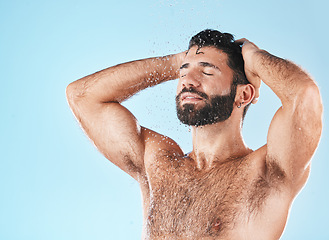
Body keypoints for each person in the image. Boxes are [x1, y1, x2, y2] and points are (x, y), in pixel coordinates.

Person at [66, 29, 323, 239]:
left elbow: (304, 97)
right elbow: (83, 96)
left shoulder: (267, 172)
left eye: (207, 71)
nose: (189, 80)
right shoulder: (159, 164)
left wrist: (254, 56)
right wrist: (175, 62)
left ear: (243, 94)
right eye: (184, 72)